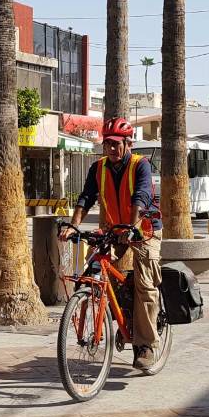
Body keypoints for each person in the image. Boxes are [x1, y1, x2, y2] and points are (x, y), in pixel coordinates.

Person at [59, 117, 163, 370]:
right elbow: (86, 197)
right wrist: (73, 225)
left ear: (128, 144)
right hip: (114, 231)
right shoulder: (98, 168)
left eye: (117, 143)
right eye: (107, 144)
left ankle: (146, 345)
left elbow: (141, 196)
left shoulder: (140, 165)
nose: (112, 148)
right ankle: (123, 316)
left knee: (144, 284)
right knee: (96, 271)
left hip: (144, 231)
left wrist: (131, 227)